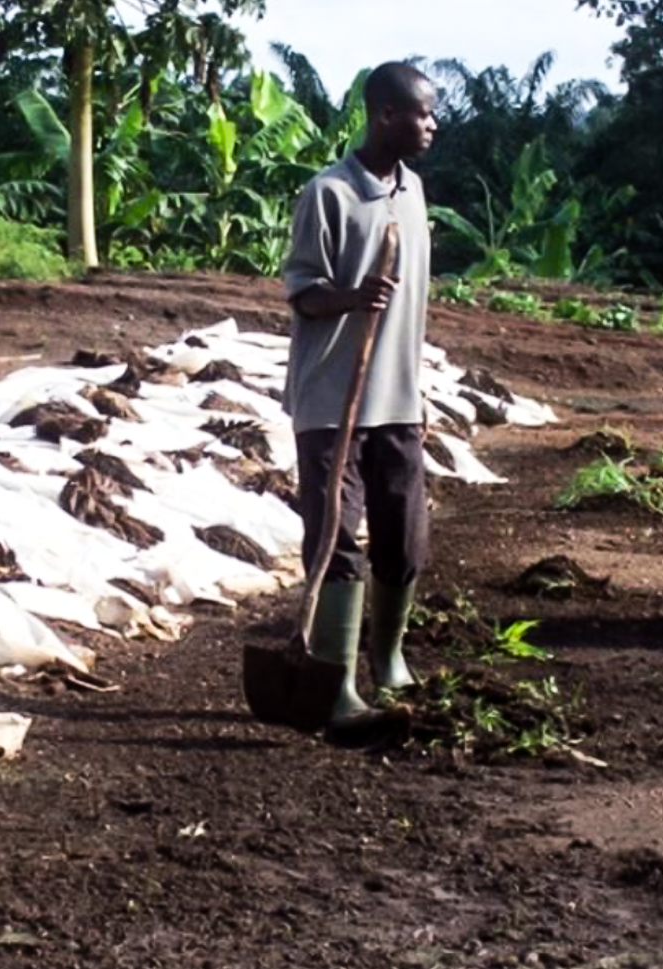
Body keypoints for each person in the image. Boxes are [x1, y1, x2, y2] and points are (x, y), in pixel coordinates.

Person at [282, 61, 438, 729]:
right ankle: (338, 685)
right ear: (383, 116)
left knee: (403, 533)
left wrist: (418, 388)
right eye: (421, 114)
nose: (431, 125)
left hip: (396, 396)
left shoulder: (414, 192)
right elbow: (302, 290)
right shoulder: (328, 193)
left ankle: (389, 656)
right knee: (335, 537)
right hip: (330, 402)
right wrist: (350, 298)